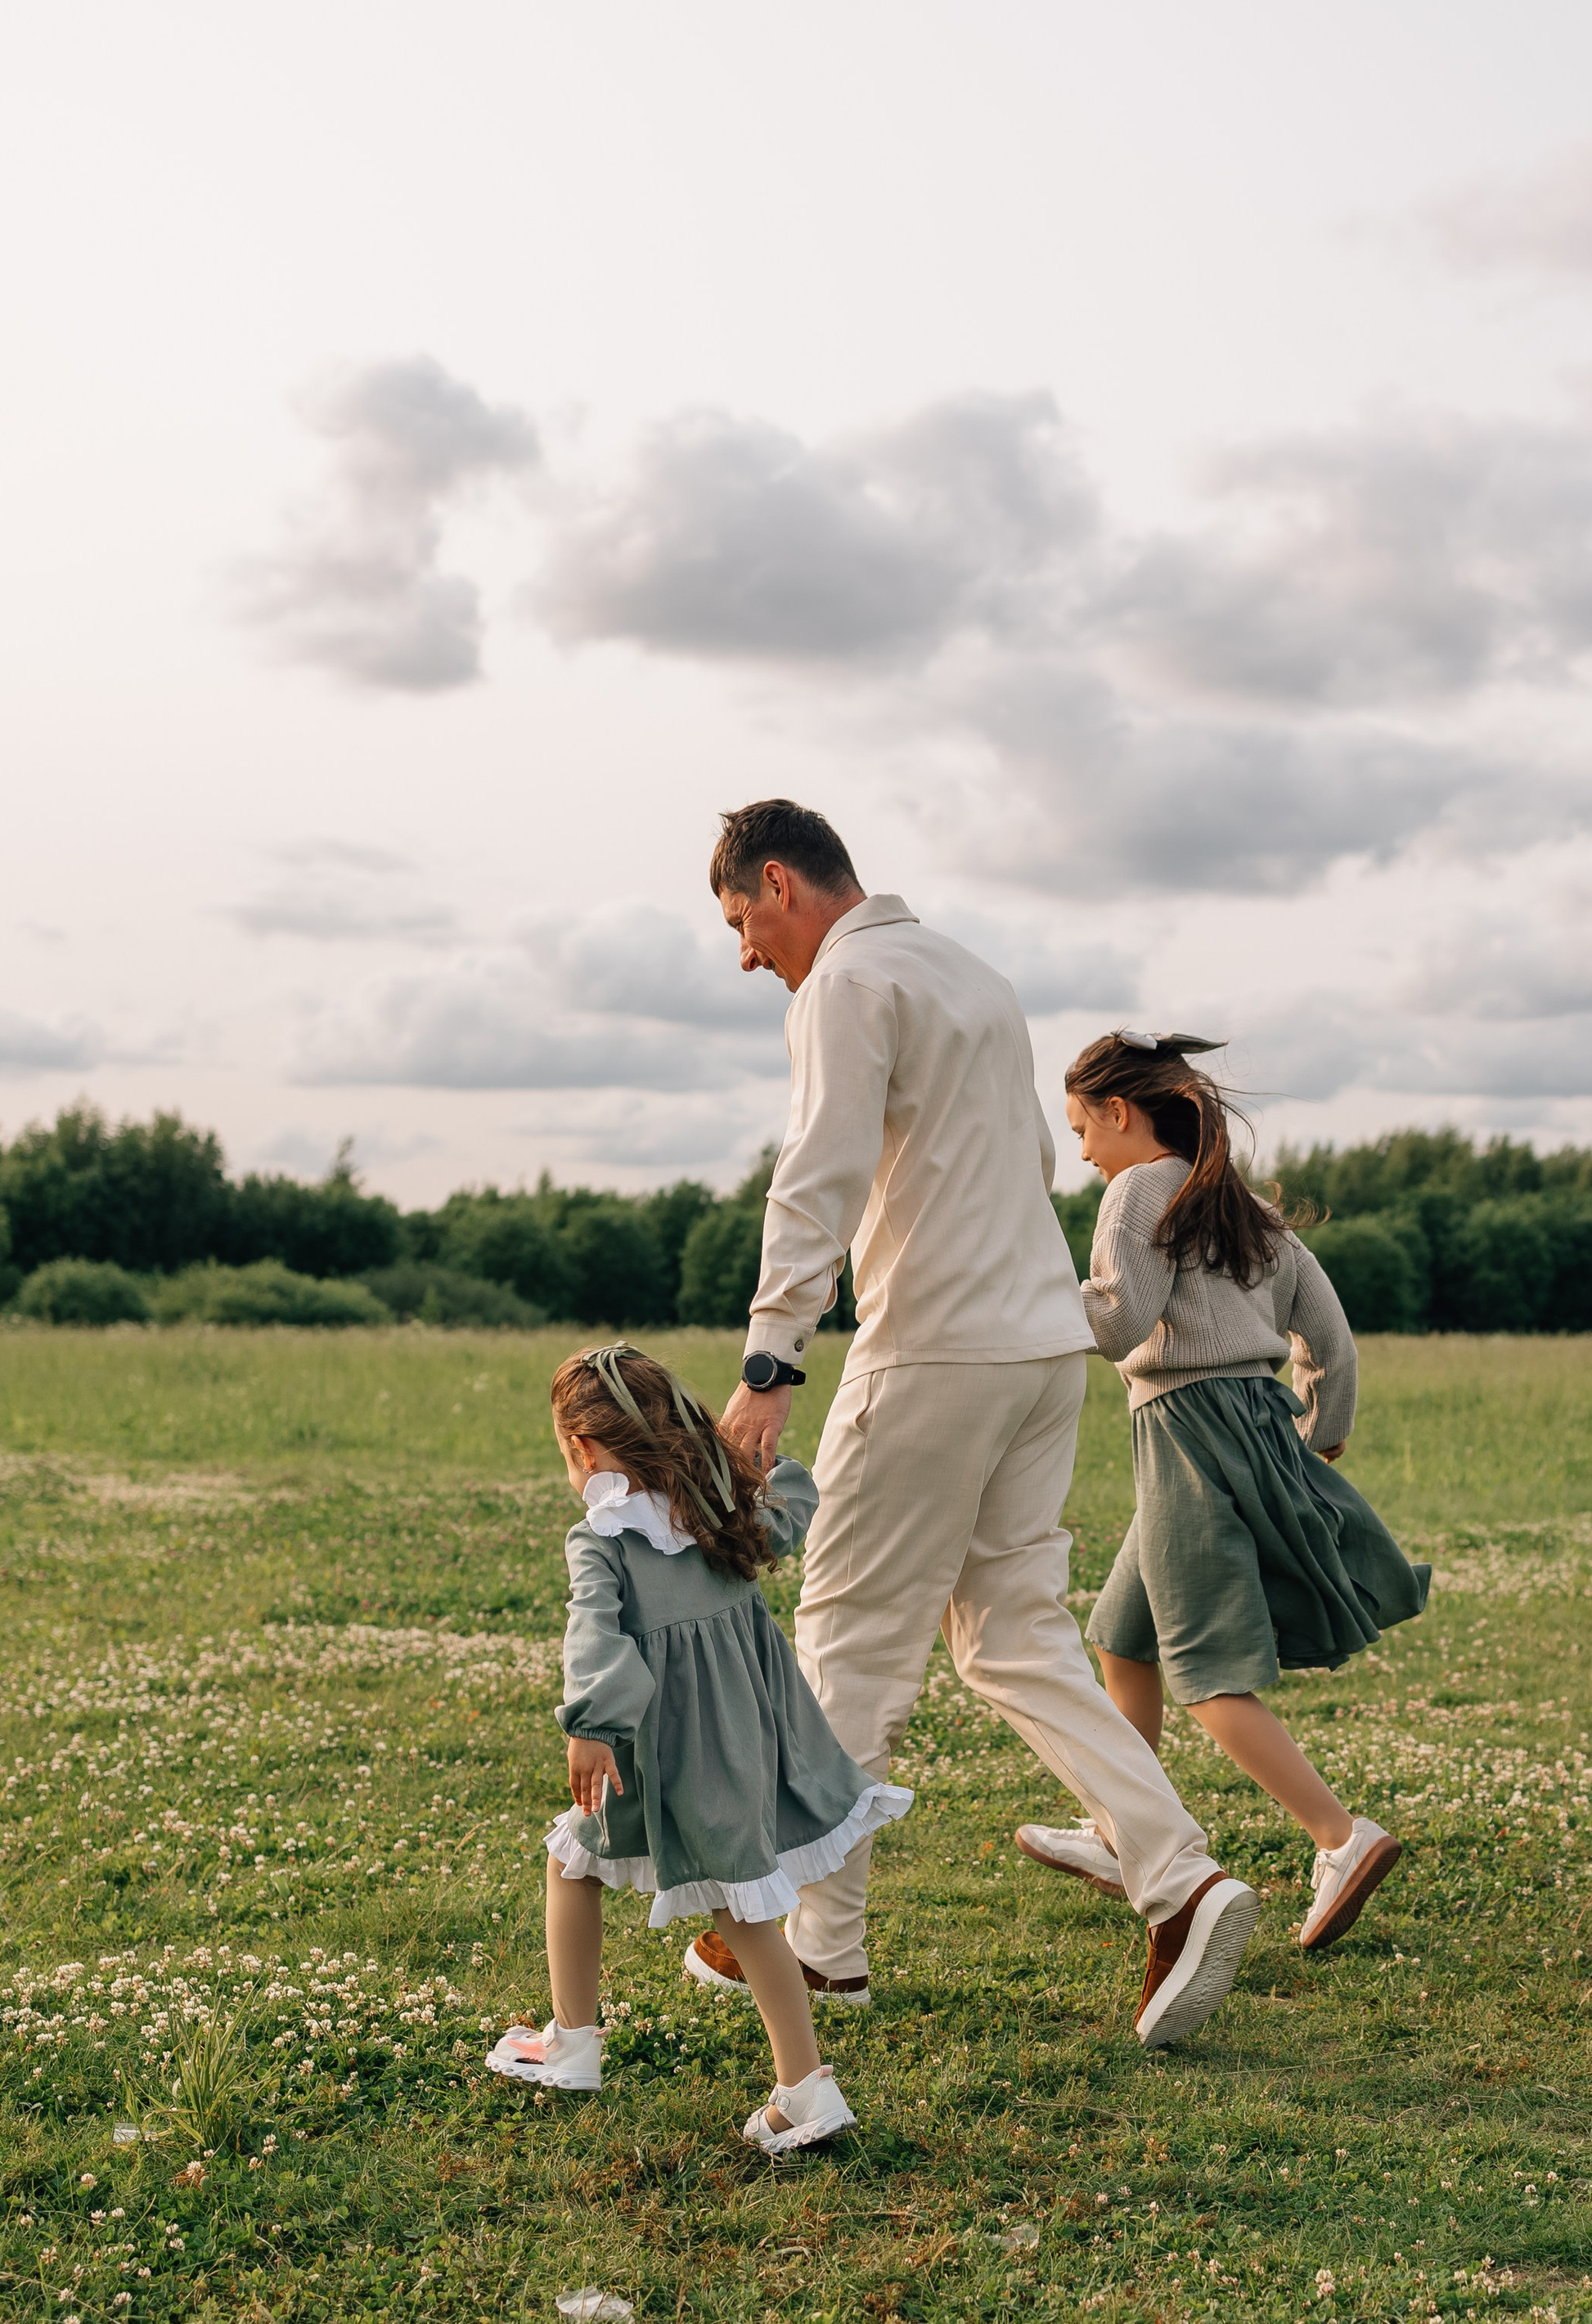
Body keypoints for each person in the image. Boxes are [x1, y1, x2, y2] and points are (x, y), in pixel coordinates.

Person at [700, 798, 1259, 2051]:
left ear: (780, 885)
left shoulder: (843, 986)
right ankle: (1180, 1876)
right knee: (1014, 1639)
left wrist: (770, 1359)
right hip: (1042, 1349)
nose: (746, 953)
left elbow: (822, 1172)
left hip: (936, 1354)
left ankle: (819, 1950)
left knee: (846, 1642)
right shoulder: (976, 974)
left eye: (742, 923)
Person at [1014, 1030, 1428, 1953]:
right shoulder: (1240, 1205)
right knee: (1122, 1637)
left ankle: (1338, 1836)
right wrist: (1318, 1428)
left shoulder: (1136, 1190)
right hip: (1257, 1423)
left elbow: (1120, 1322)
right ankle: (1125, 1831)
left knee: (1203, 1672)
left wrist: (1027, 1296)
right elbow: (1327, 1329)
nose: (1080, 1151)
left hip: (1186, 1431)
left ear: (1121, 1114)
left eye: (1082, 1127)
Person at [485, 1341, 910, 2155]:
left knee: (742, 1912)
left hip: (666, 1753)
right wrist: (743, 1457)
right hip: (735, 1736)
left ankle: (806, 2091)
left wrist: (589, 1724)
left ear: (581, 1450)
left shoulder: (604, 1537)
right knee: (581, 1860)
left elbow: (594, 1633)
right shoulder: (716, 1507)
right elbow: (792, 1502)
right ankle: (572, 2040)